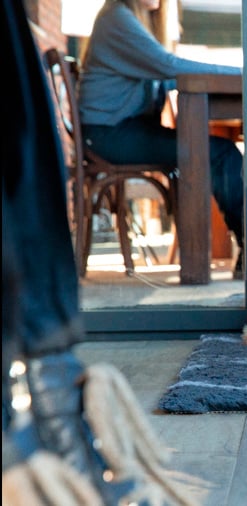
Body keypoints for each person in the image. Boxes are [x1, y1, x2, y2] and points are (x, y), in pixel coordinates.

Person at [2, 0, 194, 503]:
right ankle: (44, 409)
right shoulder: (119, 19)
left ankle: (50, 403)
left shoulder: (133, 24)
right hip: (113, 138)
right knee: (209, 152)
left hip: (124, 130)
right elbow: (172, 70)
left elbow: (164, 74)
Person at [78, 0, 245, 279]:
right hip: (108, 135)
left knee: (218, 151)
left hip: (118, 130)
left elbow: (165, 74)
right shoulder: (117, 17)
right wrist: (243, 75)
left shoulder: (130, 19)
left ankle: (246, 246)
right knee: (220, 152)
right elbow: (168, 66)